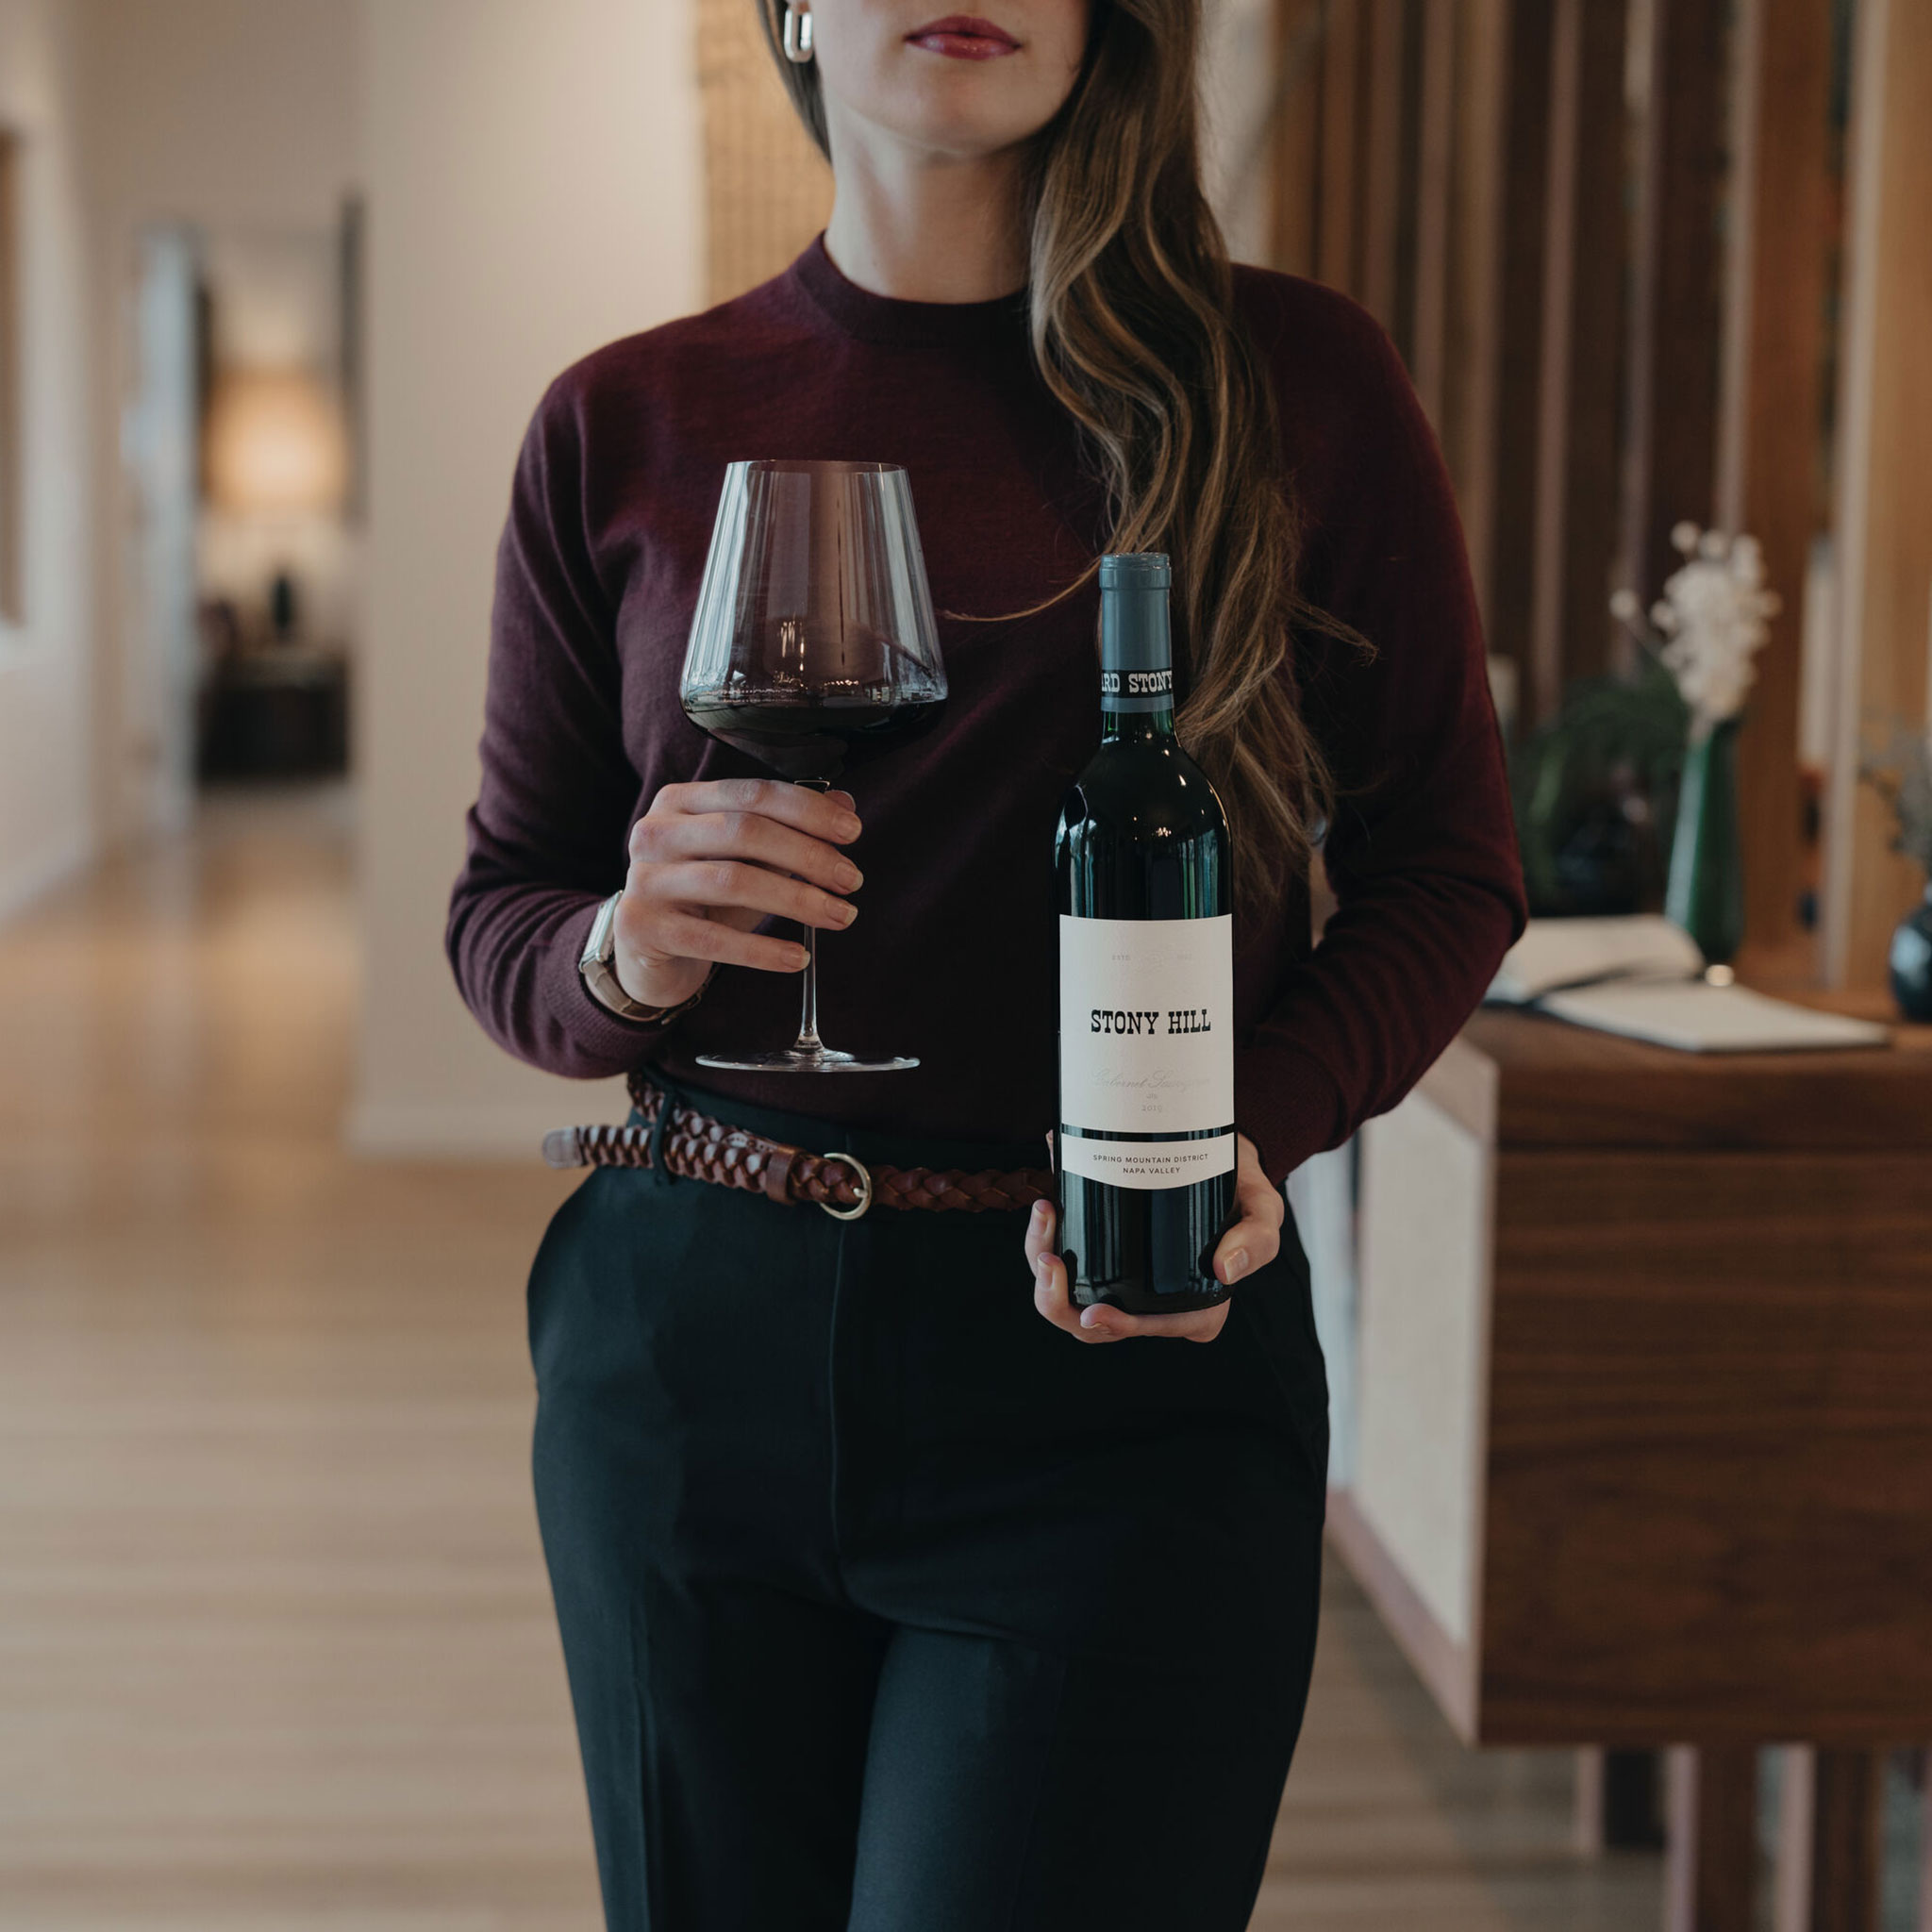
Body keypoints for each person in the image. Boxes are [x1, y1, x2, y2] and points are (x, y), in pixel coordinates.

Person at [447, 0, 1524, 1924]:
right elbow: (503, 913)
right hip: (684, 1361)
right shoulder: (622, 419)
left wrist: (1227, 1146)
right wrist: (623, 945)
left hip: (1115, 1371)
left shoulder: (1294, 385)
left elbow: (1446, 867)